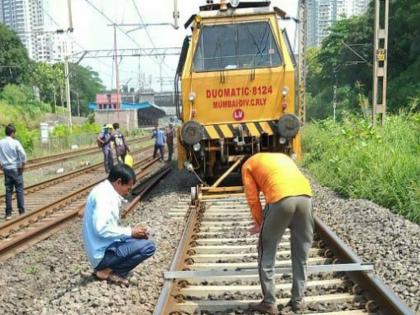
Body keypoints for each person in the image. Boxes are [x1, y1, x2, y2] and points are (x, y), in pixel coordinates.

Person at [242, 153, 313, 314]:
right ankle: (298, 301)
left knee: (266, 251)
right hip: (306, 197)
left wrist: (260, 223)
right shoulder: (282, 157)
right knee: (301, 253)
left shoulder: (248, 165)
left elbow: (253, 199)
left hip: (280, 198)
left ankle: (269, 302)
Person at [82, 164, 155, 286]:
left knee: (138, 238)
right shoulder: (105, 197)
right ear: (119, 182)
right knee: (148, 247)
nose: (128, 192)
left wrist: (132, 234)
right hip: (101, 254)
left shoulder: (103, 189)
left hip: (102, 247)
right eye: (128, 188)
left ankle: (108, 268)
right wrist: (130, 232)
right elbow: (102, 229)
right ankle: (106, 271)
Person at [0, 124, 27, 220]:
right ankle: (21, 211)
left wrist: (1, 165)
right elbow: (23, 154)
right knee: (19, 189)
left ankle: (8, 213)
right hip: (16, 169)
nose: (15, 135)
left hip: (6, 169)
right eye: (14, 133)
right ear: (12, 133)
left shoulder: (1, 142)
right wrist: (23, 164)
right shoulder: (15, 142)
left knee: (8, 191)